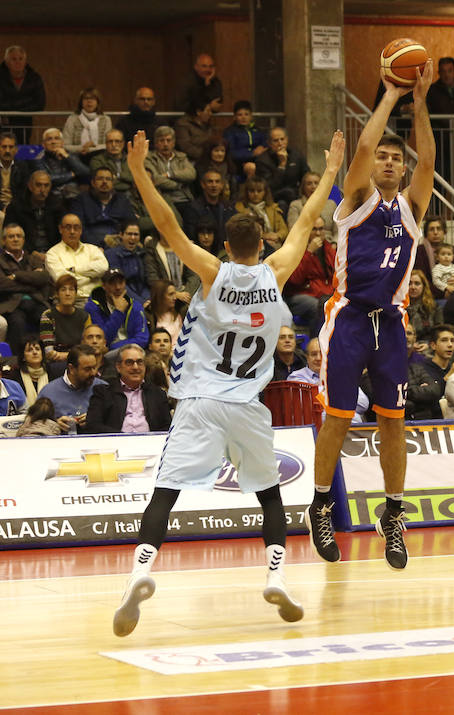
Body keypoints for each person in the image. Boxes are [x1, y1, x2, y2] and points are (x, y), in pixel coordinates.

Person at [111, 125, 344, 638]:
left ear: (224, 245)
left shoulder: (212, 274)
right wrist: (329, 171)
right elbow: (307, 218)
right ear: (262, 244)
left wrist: (137, 173)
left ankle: (140, 573)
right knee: (269, 496)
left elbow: (168, 227)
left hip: (199, 401)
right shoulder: (276, 273)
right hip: (248, 405)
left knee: (166, 493)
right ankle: (277, 575)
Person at [306, 61, 434, 572]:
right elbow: (359, 151)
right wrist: (387, 96)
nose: (385, 162)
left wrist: (419, 104)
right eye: (381, 156)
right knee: (337, 418)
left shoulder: (412, 207)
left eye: (392, 159)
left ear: (401, 170)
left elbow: (427, 158)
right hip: (349, 318)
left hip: (392, 322)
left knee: (393, 423)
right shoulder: (355, 200)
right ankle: (320, 504)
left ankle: (393, 515)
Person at [83, 344, 172, 434]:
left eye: (140, 362)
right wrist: (123, 438)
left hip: (150, 444)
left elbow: (167, 426)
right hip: (115, 445)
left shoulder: (158, 394)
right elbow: (93, 425)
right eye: (129, 362)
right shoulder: (103, 392)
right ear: (118, 367)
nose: (135, 367)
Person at [0, 223, 52, 348]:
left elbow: (44, 278)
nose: (15, 239)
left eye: (18, 236)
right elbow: (2, 284)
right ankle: (18, 361)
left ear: (23, 240)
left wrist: (17, 276)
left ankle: (48, 356)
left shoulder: (33, 258)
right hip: (12, 305)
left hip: (36, 300)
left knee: (46, 317)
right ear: (3, 240)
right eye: (11, 236)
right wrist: (32, 282)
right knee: (17, 322)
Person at [36, 344, 104, 433]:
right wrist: (54, 425)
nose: (93, 373)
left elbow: (118, 422)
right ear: (71, 368)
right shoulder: (48, 393)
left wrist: (95, 420)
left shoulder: (104, 388)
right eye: (87, 369)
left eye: (94, 368)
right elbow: (35, 426)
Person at [45, 214, 109, 305]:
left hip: (98, 300)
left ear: (81, 230)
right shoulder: (52, 254)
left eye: (76, 228)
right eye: (68, 227)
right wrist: (92, 277)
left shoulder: (93, 249)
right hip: (71, 302)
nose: (72, 231)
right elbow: (65, 282)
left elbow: (103, 268)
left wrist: (74, 270)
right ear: (60, 229)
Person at [70, 166, 138, 247]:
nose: (104, 182)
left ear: (113, 183)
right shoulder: (81, 200)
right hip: (89, 245)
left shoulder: (122, 200)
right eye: (100, 179)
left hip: (117, 244)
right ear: (93, 183)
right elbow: (78, 227)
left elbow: (131, 224)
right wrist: (97, 246)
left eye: (108, 179)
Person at [85, 267, 149, 353]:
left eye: (121, 282)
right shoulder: (93, 307)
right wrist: (118, 313)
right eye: (112, 283)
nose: (118, 287)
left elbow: (142, 339)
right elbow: (102, 339)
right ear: (104, 286)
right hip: (105, 354)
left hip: (130, 351)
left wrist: (113, 348)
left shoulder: (135, 306)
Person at [4, 169, 64, 258]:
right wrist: (31, 253)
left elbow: (63, 235)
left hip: (54, 253)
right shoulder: (16, 207)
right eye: (38, 185)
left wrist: (54, 253)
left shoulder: (57, 205)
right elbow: (10, 236)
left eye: (46, 185)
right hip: (25, 254)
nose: (42, 190)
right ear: (30, 186)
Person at [39, 274, 91, 371]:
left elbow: (87, 349)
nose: (67, 293)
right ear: (57, 294)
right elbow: (49, 353)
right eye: (63, 290)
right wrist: (75, 355)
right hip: (55, 364)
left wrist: (65, 355)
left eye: (71, 289)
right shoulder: (48, 316)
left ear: (76, 293)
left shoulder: (85, 316)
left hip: (80, 362)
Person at [254, 126, 309, 210]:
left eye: (282, 139)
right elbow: (268, 186)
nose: (280, 143)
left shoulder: (296, 155)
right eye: (275, 141)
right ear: (269, 143)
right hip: (273, 196)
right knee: (283, 203)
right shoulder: (262, 160)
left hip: (295, 194)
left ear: (287, 140)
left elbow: (306, 176)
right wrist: (282, 165)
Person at [181, 169, 236, 252]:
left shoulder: (229, 207)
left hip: (226, 252)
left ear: (222, 185)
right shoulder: (193, 208)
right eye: (210, 182)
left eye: (217, 182)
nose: (214, 185)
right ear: (203, 184)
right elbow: (192, 235)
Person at [144, 126, 196, 210]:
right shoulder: (149, 158)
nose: (165, 144)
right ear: (156, 143)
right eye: (162, 140)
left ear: (173, 143)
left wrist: (170, 174)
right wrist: (179, 185)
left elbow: (191, 174)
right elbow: (156, 179)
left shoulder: (181, 157)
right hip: (162, 200)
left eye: (168, 140)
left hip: (184, 199)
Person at [0, 45, 45, 137]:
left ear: (25, 61)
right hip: (3, 123)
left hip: (25, 123)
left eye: (21, 59)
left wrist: (12, 110)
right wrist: (24, 105)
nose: (18, 62)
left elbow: (40, 103)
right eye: (14, 59)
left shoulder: (34, 78)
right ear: (7, 62)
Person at [35, 127, 90, 201]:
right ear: (43, 144)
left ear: (62, 142)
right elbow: (48, 179)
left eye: (56, 138)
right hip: (51, 196)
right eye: (49, 139)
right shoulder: (38, 159)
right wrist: (71, 174)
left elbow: (86, 173)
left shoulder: (71, 156)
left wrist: (67, 157)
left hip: (73, 195)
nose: (53, 142)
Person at [234, 177, 288, 251]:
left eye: (259, 191)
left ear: (265, 192)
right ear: (246, 192)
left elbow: (284, 230)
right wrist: (264, 237)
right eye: (252, 191)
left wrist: (277, 236)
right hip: (250, 247)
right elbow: (241, 233)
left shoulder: (273, 208)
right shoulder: (240, 209)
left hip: (274, 243)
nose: (255, 194)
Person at [412, 216, 454, 298]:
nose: (436, 232)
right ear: (426, 234)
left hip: (452, 291)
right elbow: (422, 279)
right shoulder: (420, 251)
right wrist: (444, 293)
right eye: (431, 229)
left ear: (444, 232)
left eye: (439, 229)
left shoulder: (451, 250)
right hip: (429, 295)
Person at [287, 170, 339, 243]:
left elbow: (338, 231)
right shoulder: (296, 205)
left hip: (329, 244)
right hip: (305, 246)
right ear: (303, 187)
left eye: (316, 183)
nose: (313, 186)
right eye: (309, 184)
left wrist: (334, 244)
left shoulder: (331, 204)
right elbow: (293, 233)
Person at [104, 221, 149, 303]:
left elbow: (145, 283)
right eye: (129, 234)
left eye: (136, 234)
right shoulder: (112, 254)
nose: (132, 238)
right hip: (124, 298)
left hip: (145, 297)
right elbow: (119, 285)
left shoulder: (142, 253)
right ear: (121, 235)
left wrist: (149, 300)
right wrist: (141, 303)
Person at [405, 324, 443, 420]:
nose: (405, 336)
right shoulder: (385, 362)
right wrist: (418, 391)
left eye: (409, 333)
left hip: (423, 417)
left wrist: (406, 392)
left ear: (415, 337)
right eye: (402, 332)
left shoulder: (422, 361)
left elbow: (434, 390)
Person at [62, 88, 111, 159]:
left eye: (93, 98)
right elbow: (65, 145)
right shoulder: (72, 119)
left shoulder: (106, 119)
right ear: (81, 102)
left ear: (98, 102)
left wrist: (91, 148)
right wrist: (82, 148)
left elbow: (109, 145)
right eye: (86, 98)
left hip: (100, 156)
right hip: (77, 156)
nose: (89, 101)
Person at [224, 101, 269, 178]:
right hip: (239, 163)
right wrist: (252, 154)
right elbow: (231, 152)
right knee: (251, 167)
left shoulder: (257, 130)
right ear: (234, 117)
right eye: (240, 115)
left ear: (251, 116)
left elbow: (266, 142)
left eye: (246, 114)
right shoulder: (230, 132)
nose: (243, 117)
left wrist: (263, 147)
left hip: (259, 160)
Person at [10, 335, 50, 406]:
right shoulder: (15, 376)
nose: (35, 352)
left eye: (37, 349)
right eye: (29, 350)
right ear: (23, 356)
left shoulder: (51, 372)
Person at [406, 269, 442, 348]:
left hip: (428, 346)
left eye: (417, 283)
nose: (413, 287)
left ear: (424, 286)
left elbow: (439, 332)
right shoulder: (399, 308)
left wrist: (429, 344)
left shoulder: (434, 307)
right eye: (409, 283)